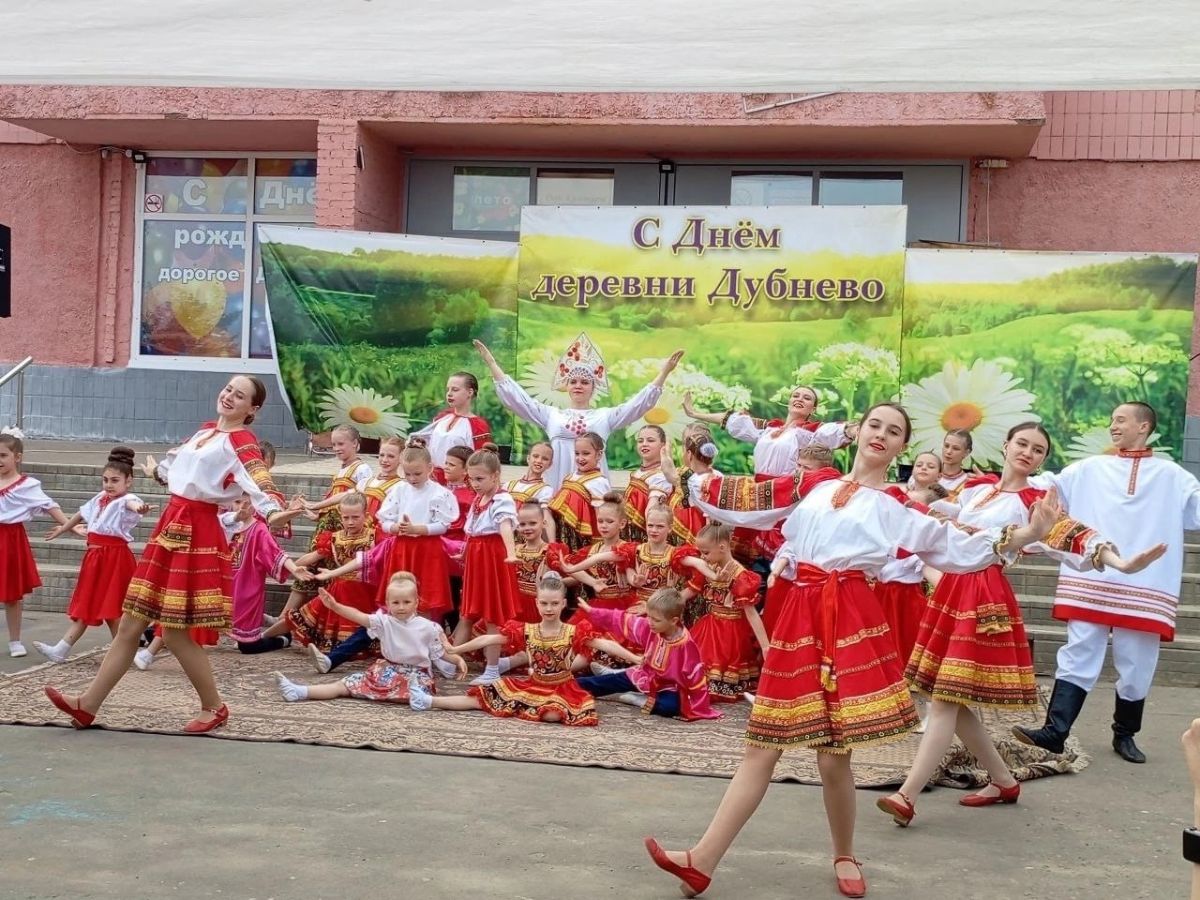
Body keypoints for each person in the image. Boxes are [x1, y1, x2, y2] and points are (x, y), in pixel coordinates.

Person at [647, 402, 1064, 899]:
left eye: (894, 431)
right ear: (860, 432)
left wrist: (1030, 533)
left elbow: (956, 542)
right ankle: (703, 859)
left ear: (902, 446)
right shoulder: (816, 484)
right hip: (799, 615)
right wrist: (692, 476)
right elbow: (754, 500)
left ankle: (844, 853)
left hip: (846, 616)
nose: (882, 435)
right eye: (875, 426)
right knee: (763, 745)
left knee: (832, 756)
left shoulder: (897, 504)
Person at [879, 422, 1163, 827]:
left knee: (944, 700)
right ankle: (1003, 780)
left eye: (1038, 450)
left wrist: (1122, 563)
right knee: (950, 702)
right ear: (1007, 445)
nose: (1028, 452)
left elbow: (1077, 537)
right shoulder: (977, 487)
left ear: (1042, 461)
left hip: (982, 595)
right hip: (951, 590)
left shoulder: (1035, 501)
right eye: (1023, 444)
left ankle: (907, 796)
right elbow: (943, 511)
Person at [45, 375, 289, 733]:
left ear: (252, 409)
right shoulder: (205, 431)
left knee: (173, 631)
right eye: (227, 389)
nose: (229, 397)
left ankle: (214, 707)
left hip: (196, 531)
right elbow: (177, 472)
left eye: (240, 396)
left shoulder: (241, 440)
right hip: (171, 524)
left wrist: (276, 509)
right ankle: (88, 705)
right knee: (133, 621)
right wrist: (158, 473)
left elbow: (261, 482)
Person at [1015, 401, 1196, 764]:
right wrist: (1011, 475)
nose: (1113, 426)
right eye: (1112, 420)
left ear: (1143, 427)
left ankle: (1124, 733)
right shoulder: (1088, 468)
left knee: (1137, 661)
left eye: (1121, 420)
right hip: (1092, 577)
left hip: (1146, 583)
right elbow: (1045, 488)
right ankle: (1055, 732)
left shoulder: (1173, 476)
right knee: (1079, 652)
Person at [409, 573, 635, 724]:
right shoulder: (526, 630)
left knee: (556, 714)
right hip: (532, 684)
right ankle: (427, 701)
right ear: (537, 603)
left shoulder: (573, 631)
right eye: (544, 603)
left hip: (560, 688)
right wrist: (454, 649)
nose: (549, 608)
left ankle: (520, 707)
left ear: (563, 604)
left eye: (554, 603)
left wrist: (636, 658)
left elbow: (605, 644)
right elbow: (488, 640)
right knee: (480, 699)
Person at [475, 334, 684, 491]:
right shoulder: (552, 414)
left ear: (593, 388)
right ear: (566, 386)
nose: (578, 386)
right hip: (556, 480)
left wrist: (663, 373)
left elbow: (638, 405)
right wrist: (492, 364)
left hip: (591, 486)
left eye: (585, 382)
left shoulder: (604, 416)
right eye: (573, 381)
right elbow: (520, 401)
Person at [34, 447, 150, 663]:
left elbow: (133, 505)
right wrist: (64, 528)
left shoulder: (127, 499)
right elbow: (81, 514)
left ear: (128, 481)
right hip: (95, 558)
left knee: (113, 608)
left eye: (115, 480)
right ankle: (61, 649)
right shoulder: (101, 497)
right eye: (105, 480)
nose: (109, 485)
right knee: (88, 603)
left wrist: (140, 508)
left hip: (114, 558)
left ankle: (123, 655)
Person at [274, 576, 467, 705]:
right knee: (346, 684)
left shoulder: (428, 627)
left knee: (411, 691)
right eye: (396, 603)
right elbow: (358, 615)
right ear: (388, 604)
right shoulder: (383, 622)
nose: (401, 607)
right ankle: (300, 691)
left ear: (416, 602)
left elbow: (440, 652)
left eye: (406, 602)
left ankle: (420, 699)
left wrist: (457, 660)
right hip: (387, 668)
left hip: (416, 674)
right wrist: (335, 606)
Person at [576, 588, 720, 720]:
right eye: (649, 617)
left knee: (670, 707)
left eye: (656, 620)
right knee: (588, 684)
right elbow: (622, 619)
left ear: (674, 621)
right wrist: (592, 611)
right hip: (643, 674)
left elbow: (695, 675)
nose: (650, 622)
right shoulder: (651, 627)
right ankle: (608, 676)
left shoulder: (685, 644)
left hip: (668, 686)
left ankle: (640, 699)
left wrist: (700, 706)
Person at [276, 493, 378, 656]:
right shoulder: (335, 538)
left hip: (366, 591)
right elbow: (314, 556)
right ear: (340, 516)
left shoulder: (374, 536)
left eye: (355, 517)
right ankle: (262, 637)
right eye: (346, 518)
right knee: (300, 616)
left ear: (365, 516)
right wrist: (292, 566)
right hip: (339, 588)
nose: (350, 522)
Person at [683, 385, 855, 479]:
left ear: (814, 408)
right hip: (758, 489)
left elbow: (836, 432)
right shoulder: (769, 428)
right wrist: (694, 413)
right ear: (789, 401)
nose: (799, 399)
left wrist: (858, 429)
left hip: (785, 493)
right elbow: (732, 421)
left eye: (807, 398)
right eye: (796, 395)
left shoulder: (810, 433)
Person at [682, 523, 768, 702]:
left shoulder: (740, 575)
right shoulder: (708, 567)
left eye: (705, 552)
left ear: (722, 547)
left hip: (731, 634)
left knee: (711, 677)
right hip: (709, 626)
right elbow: (689, 591)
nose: (702, 558)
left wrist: (765, 646)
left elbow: (751, 614)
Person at [458, 447, 521, 685]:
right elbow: (472, 532)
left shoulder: (501, 499)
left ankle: (493, 668)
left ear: (496, 476)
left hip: (492, 558)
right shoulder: (478, 498)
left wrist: (512, 553)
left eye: (480, 479)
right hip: (476, 557)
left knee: (492, 615)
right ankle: (452, 658)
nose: (474, 483)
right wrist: (464, 553)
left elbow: (505, 526)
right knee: (467, 613)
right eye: (471, 478)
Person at [375, 445, 458, 623]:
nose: (412, 479)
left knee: (425, 598)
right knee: (399, 594)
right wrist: (395, 528)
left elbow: (443, 525)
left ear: (429, 468)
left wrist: (417, 529)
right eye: (408, 474)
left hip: (428, 549)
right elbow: (385, 521)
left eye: (417, 474)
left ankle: (424, 638)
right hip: (402, 548)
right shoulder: (399, 490)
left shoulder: (439, 493)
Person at [406, 371, 492, 483]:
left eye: (455, 390)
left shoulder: (478, 426)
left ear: (470, 392)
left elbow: (482, 462)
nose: (449, 394)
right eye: (448, 390)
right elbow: (429, 443)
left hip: (459, 483)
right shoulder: (443, 417)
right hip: (431, 480)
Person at [547, 432, 612, 552]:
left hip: (581, 539)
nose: (580, 458)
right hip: (561, 533)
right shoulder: (569, 477)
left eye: (586, 453)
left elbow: (601, 514)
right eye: (577, 453)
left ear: (599, 455)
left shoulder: (599, 481)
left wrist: (604, 542)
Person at [622, 425, 672, 542]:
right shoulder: (637, 473)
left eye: (650, 440)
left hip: (647, 535)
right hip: (629, 532)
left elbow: (652, 510)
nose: (644, 444)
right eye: (640, 441)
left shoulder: (662, 475)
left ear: (663, 445)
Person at [506, 441, 556, 541]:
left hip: (523, 539)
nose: (539, 460)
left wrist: (552, 545)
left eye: (545, 459)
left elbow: (546, 519)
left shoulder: (545, 490)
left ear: (550, 464)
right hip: (504, 535)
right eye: (535, 456)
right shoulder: (508, 485)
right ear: (528, 458)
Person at [361, 436, 405, 540]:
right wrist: (319, 506)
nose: (385, 460)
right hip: (359, 532)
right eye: (382, 455)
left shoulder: (400, 486)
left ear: (401, 458)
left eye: (391, 456)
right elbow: (345, 496)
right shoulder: (368, 481)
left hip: (380, 536)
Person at [936, 429, 974, 498]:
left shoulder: (968, 482)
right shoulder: (927, 473)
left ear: (966, 453)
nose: (949, 451)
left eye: (956, 448)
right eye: (946, 446)